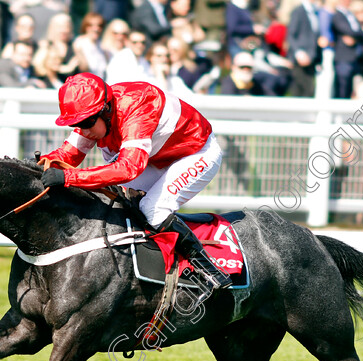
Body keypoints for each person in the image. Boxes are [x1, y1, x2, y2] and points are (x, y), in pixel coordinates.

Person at [39, 73, 233, 290]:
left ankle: (209, 271)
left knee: (154, 209)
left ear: (105, 110)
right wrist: (41, 165)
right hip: (156, 157)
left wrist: (69, 178)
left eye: (86, 122)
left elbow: (128, 168)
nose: (83, 130)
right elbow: (69, 154)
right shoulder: (95, 113)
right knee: (113, 200)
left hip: (196, 154)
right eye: (77, 123)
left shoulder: (136, 106)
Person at [287, 0, 322, 97]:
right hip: (300, 59)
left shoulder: (315, 12)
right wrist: (298, 52)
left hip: (312, 58)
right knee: (301, 90)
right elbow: (291, 35)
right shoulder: (298, 11)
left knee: (309, 91)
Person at [72, 12, 108, 77]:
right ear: (85, 26)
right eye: (91, 25)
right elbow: (84, 69)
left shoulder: (101, 45)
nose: (96, 29)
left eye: (99, 25)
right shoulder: (79, 42)